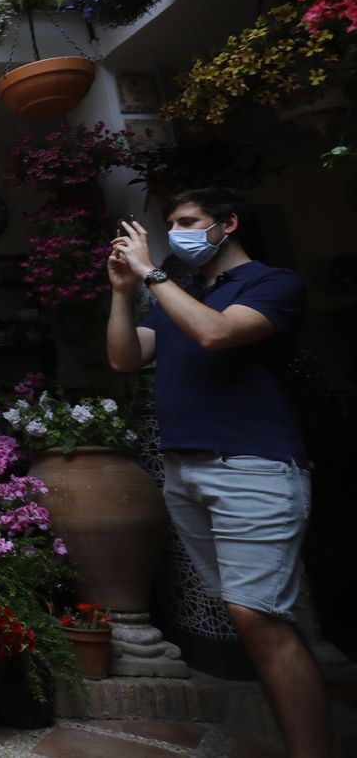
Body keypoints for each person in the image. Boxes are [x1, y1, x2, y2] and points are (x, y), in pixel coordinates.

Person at [106, 188, 332, 758]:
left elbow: (217, 333)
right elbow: (124, 357)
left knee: (258, 618)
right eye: (171, 224)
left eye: (189, 222)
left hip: (252, 467)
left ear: (227, 223)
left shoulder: (272, 284)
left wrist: (154, 273)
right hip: (188, 471)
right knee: (254, 617)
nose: (178, 231)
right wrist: (122, 291)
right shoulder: (179, 298)